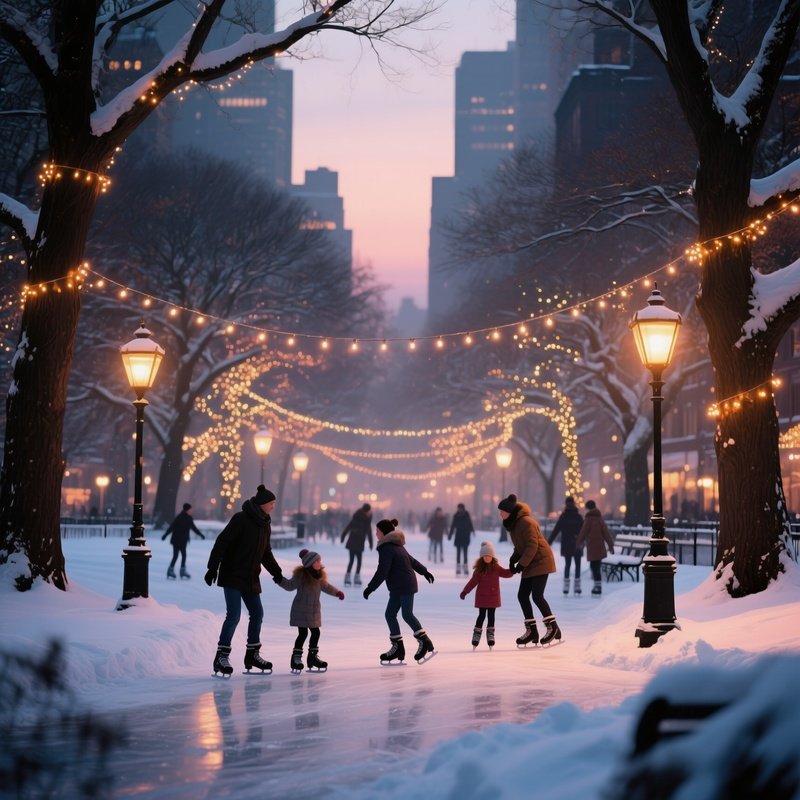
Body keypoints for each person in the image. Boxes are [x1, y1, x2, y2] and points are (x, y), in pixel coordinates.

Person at [205, 484, 284, 677]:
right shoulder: (241, 519)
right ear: (263, 504)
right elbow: (222, 541)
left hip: (250, 577)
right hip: (232, 574)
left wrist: (277, 573)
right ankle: (221, 656)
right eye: (272, 503)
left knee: (257, 613)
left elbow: (266, 553)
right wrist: (212, 567)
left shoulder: (265, 524)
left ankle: (252, 655)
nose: (274, 506)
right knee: (234, 616)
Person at [362, 518, 436, 664]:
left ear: (383, 532)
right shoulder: (395, 545)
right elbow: (412, 560)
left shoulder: (387, 548)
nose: (375, 533)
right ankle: (398, 648)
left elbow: (382, 571)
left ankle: (425, 642)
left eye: (377, 531)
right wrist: (424, 572)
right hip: (399, 586)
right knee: (390, 614)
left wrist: (370, 587)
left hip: (404, 585)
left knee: (407, 614)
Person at [498, 493, 560, 646]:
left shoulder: (526, 522)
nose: (500, 514)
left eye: (502, 512)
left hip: (541, 561)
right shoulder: (514, 525)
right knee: (522, 595)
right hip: (531, 563)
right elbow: (521, 546)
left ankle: (553, 627)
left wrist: (521, 565)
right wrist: (514, 559)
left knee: (537, 596)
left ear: (510, 512)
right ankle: (532, 630)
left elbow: (533, 546)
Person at [275, 548, 344, 673]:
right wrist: (280, 580)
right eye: (317, 561)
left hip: (314, 611)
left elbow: (327, 587)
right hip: (301, 610)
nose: (319, 563)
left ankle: (312, 657)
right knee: (303, 634)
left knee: (316, 633)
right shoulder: (301, 576)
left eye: (319, 560)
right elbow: (290, 586)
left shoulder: (319, 577)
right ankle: (296, 658)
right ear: (309, 563)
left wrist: (337, 592)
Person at [459, 540, 515, 649]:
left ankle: (490, 634)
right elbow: (472, 582)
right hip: (482, 598)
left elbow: (505, 573)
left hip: (493, 597)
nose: (487, 558)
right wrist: (465, 591)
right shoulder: (479, 570)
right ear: (482, 558)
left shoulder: (497, 568)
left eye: (489, 556)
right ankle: (477, 634)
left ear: (493, 557)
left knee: (491, 616)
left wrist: (514, 570)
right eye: (485, 556)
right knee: (481, 616)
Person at [575, 499, 615, 596]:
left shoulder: (588, 519)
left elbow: (583, 532)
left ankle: (597, 587)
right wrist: (610, 545)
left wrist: (578, 543)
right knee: (597, 566)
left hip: (592, 547)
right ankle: (598, 586)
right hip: (600, 547)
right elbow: (606, 534)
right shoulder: (600, 519)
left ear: (588, 508)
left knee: (594, 567)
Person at [547, 496, 584, 596]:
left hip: (567, 544)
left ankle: (566, 587)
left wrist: (548, 543)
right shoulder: (578, 517)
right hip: (577, 544)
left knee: (568, 565)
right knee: (577, 565)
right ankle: (577, 587)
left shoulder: (564, 517)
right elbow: (583, 531)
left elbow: (556, 530)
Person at [162, 502, 206, 580]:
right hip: (176, 540)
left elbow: (194, 528)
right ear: (187, 510)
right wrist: (165, 535)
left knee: (184, 555)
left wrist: (201, 535)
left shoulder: (189, 518)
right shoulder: (179, 517)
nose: (191, 511)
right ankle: (170, 571)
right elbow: (172, 527)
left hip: (183, 541)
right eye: (190, 510)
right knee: (175, 556)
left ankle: (182, 571)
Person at [340, 503, 373, 586]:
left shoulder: (357, 517)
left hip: (353, 542)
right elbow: (369, 532)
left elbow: (348, 527)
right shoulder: (366, 520)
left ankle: (348, 577)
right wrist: (370, 543)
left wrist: (343, 537)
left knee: (352, 561)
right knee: (358, 561)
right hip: (358, 542)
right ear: (367, 511)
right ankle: (356, 578)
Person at [448, 502, 476, 575]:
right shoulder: (456, 516)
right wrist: (450, 535)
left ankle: (465, 568)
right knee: (458, 553)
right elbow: (453, 525)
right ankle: (458, 568)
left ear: (463, 508)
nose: (459, 509)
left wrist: (472, 531)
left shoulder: (467, 515)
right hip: (458, 536)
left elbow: (470, 523)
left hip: (466, 536)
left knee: (465, 553)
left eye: (460, 508)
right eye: (458, 508)